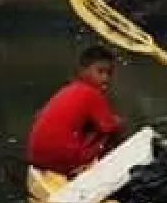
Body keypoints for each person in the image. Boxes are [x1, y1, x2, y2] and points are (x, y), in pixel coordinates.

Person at [25, 44, 124, 175]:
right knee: (114, 127)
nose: (105, 79)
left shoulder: (67, 89)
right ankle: (110, 172)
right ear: (82, 71)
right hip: (59, 160)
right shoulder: (91, 93)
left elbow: (38, 115)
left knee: (91, 126)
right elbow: (111, 127)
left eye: (109, 74)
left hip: (35, 158)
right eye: (100, 72)